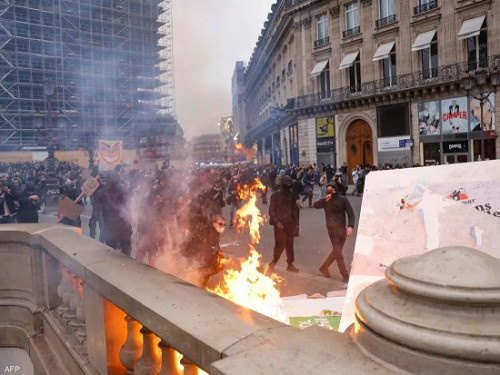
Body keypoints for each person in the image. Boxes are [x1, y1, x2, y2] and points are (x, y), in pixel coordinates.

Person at [314, 181, 355, 284]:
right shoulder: (326, 200)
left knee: (337, 251)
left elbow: (351, 213)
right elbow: (315, 205)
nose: (329, 192)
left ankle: (324, 267)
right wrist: (324, 199)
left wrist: (350, 226)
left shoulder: (343, 200)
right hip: (331, 229)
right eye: (328, 190)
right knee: (338, 253)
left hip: (342, 229)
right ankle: (345, 275)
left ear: (336, 189)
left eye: (331, 190)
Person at [181, 214, 226, 288]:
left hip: (204, 251)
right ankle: (200, 280)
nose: (222, 226)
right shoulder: (207, 231)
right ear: (214, 223)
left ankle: (201, 276)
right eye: (220, 224)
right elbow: (195, 242)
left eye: (224, 224)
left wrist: (219, 253)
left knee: (218, 265)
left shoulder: (215, 232)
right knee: (211, 266)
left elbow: (215, 245)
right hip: (195, 250)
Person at [268, 175, 300, 273]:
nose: (288, 186)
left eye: (290, 184)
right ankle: (273, 263)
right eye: (287, 184)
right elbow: (271, 210)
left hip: (289, 223)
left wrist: (296, 224)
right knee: (279, 246)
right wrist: (277, 222)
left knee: (290, 244)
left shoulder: (291, 194)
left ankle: (290, 264)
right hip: (279, 225)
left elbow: (295, 210)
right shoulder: (276, 195)